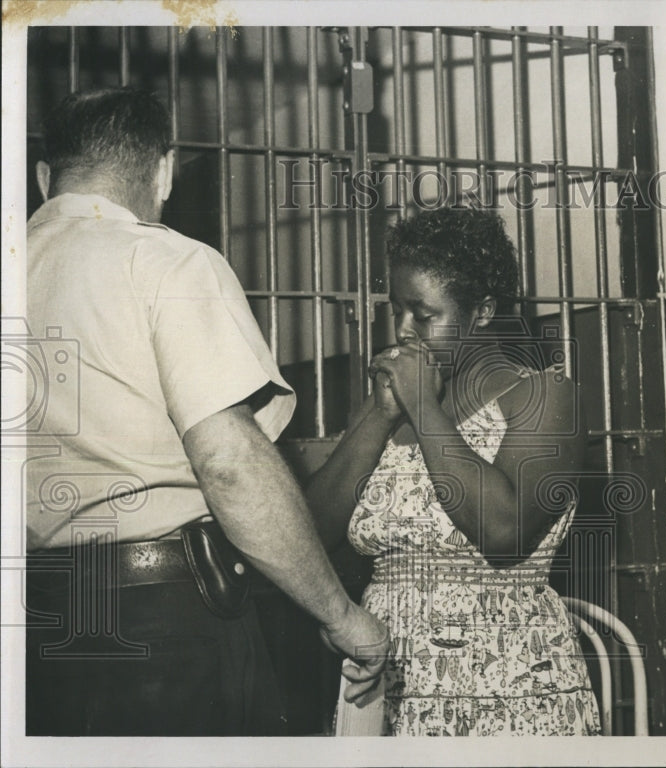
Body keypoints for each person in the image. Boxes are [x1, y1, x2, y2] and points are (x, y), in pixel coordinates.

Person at [24, 87, 388, 736]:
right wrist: (339, 614)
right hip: (166, 627)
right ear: (163, 171)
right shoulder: (165, 261)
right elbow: (229, 464)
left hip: (29, 627)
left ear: (45, 178)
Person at [307, 207, 602, 736]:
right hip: (385, 682)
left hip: (508, 683)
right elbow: (310, 535)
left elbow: (504, 534)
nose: (402, 329)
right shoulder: (386, 404)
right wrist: (381, 416)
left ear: (482, 311)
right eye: (396, 309)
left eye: (424, 314)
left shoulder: (543, 396)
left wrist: (425, 410)